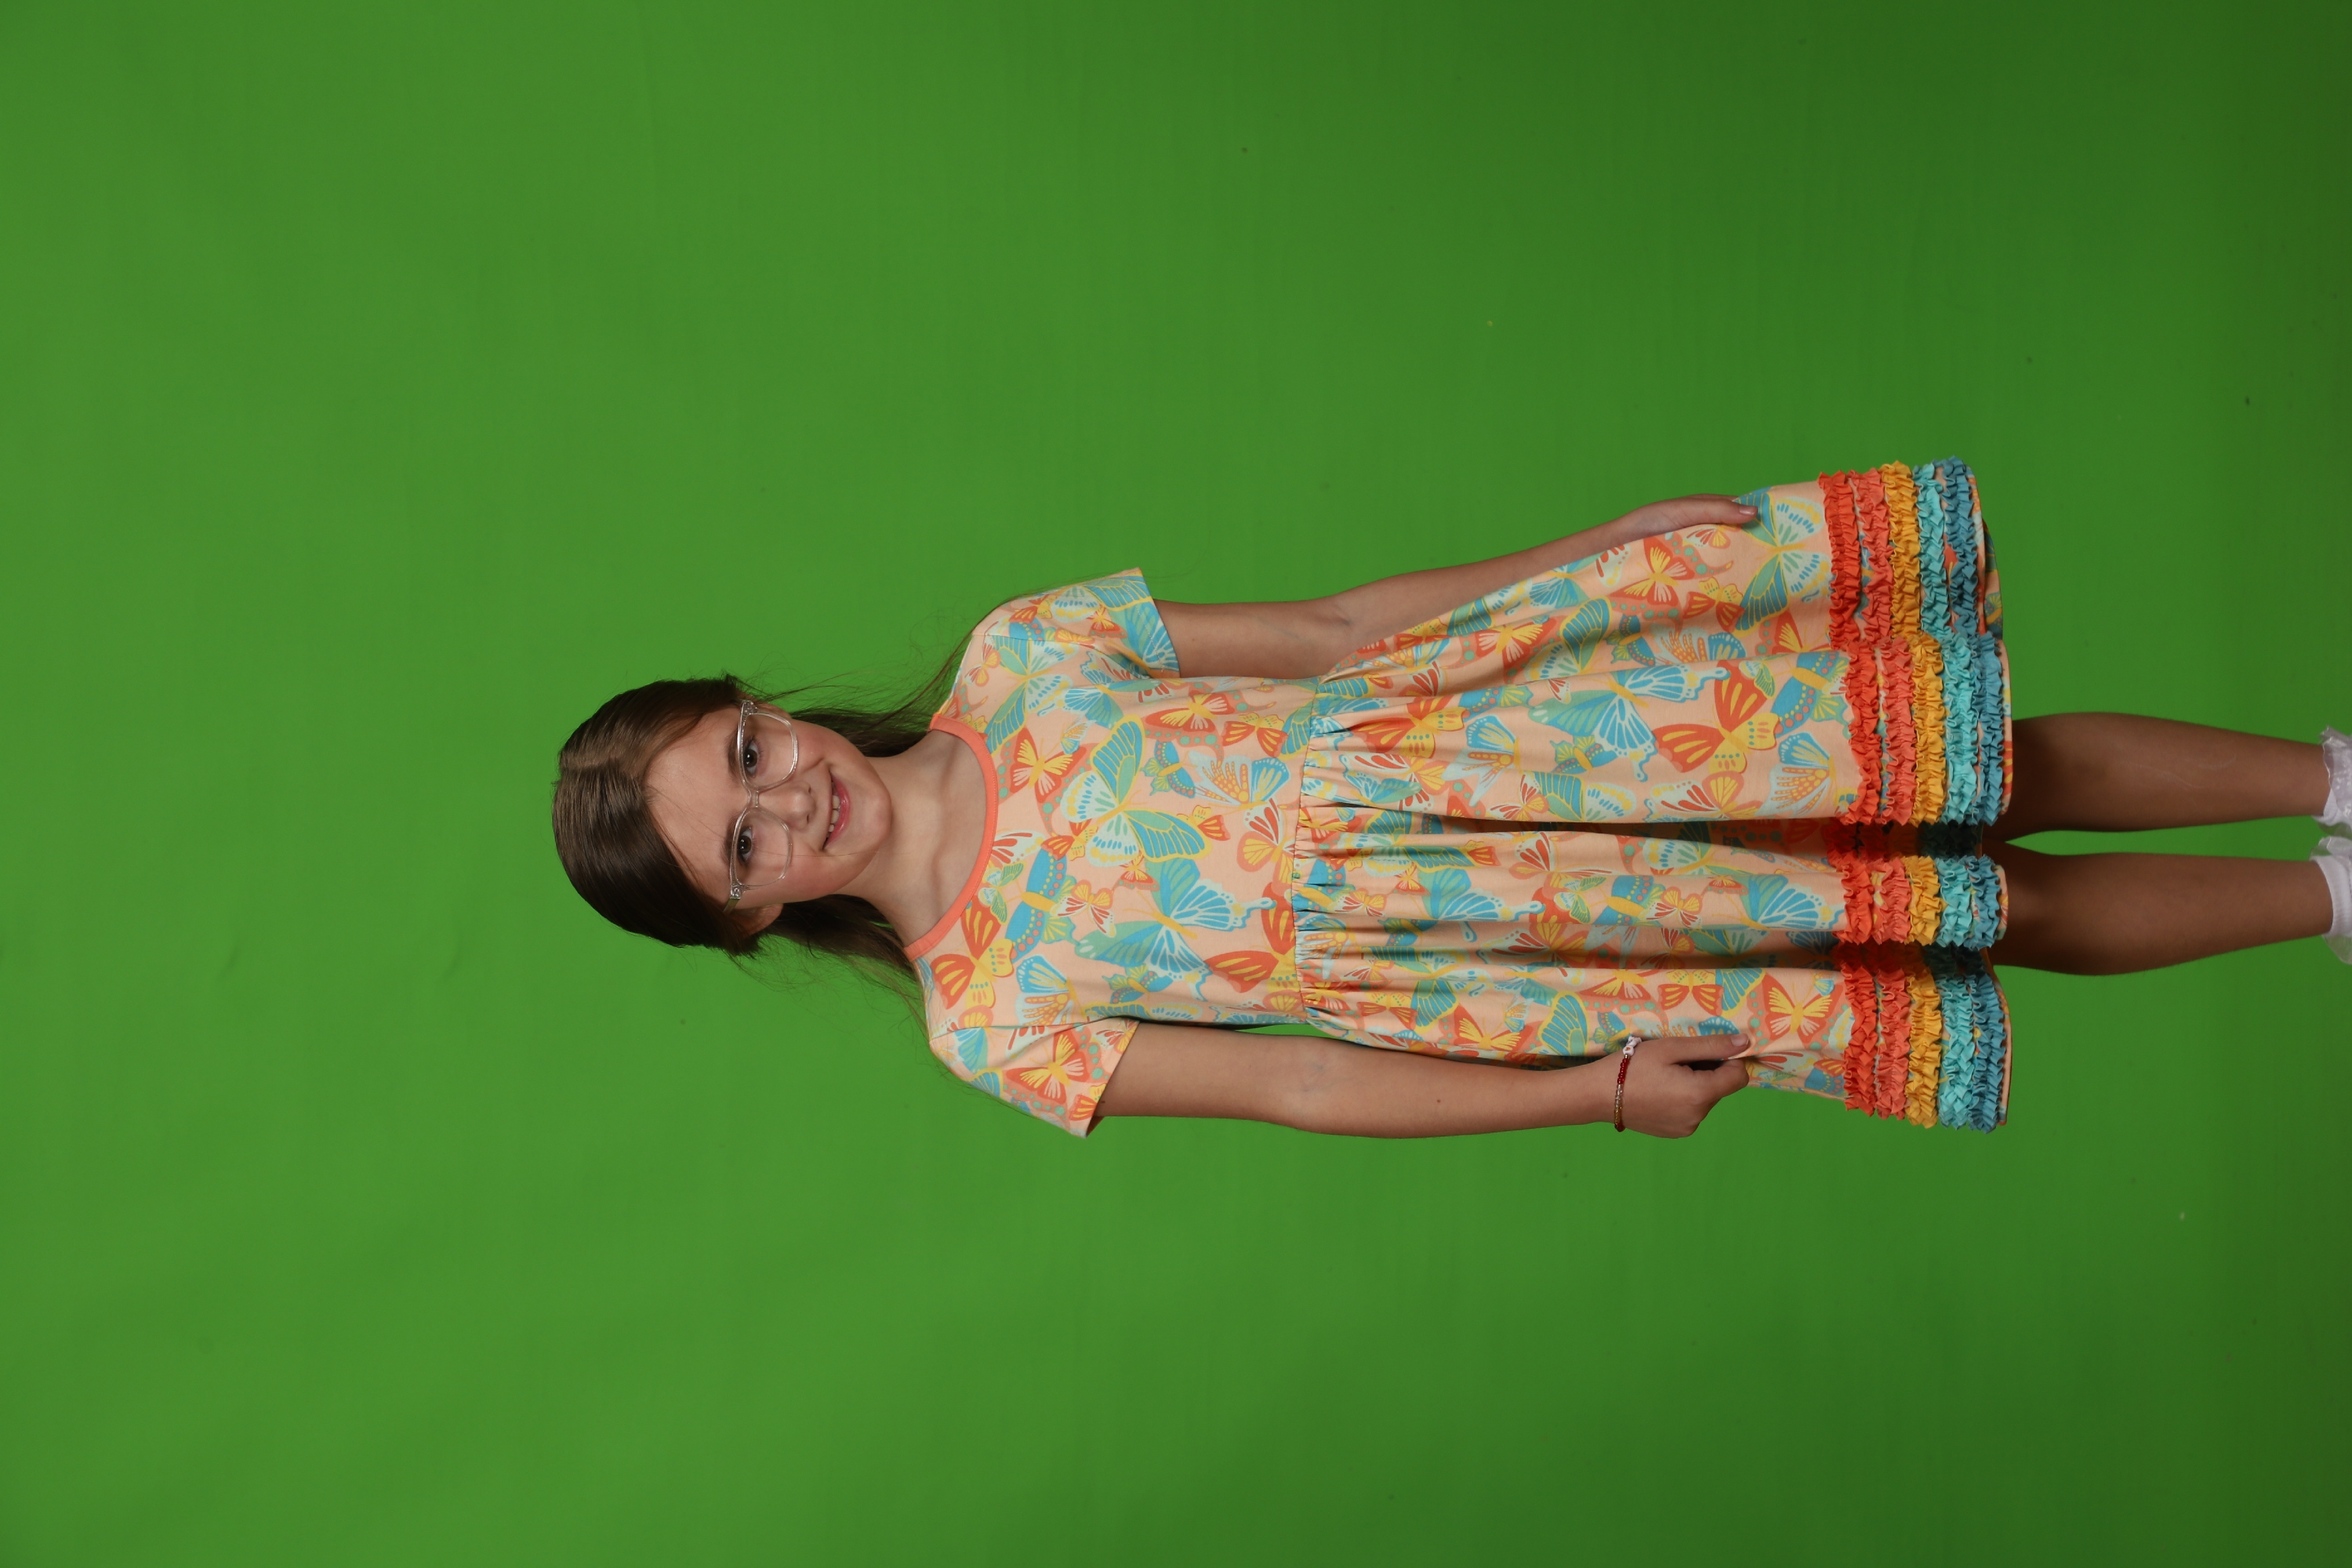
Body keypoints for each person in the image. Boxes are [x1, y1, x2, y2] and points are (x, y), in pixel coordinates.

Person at [552, 461, 2351, 1140]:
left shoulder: (1027, 653)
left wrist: (1598, 547)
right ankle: (2334, 898)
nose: (790, 799)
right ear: (748, 913)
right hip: (1532, 953)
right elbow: (1303, 1084)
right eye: (744, 843)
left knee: (1972, 762)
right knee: (1978, 912)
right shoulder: (991, 1021)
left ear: (758, 708)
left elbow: (1335, 629)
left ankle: (2335, 775)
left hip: (1537, 739)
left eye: (749, 750)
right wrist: (1594, 1095)